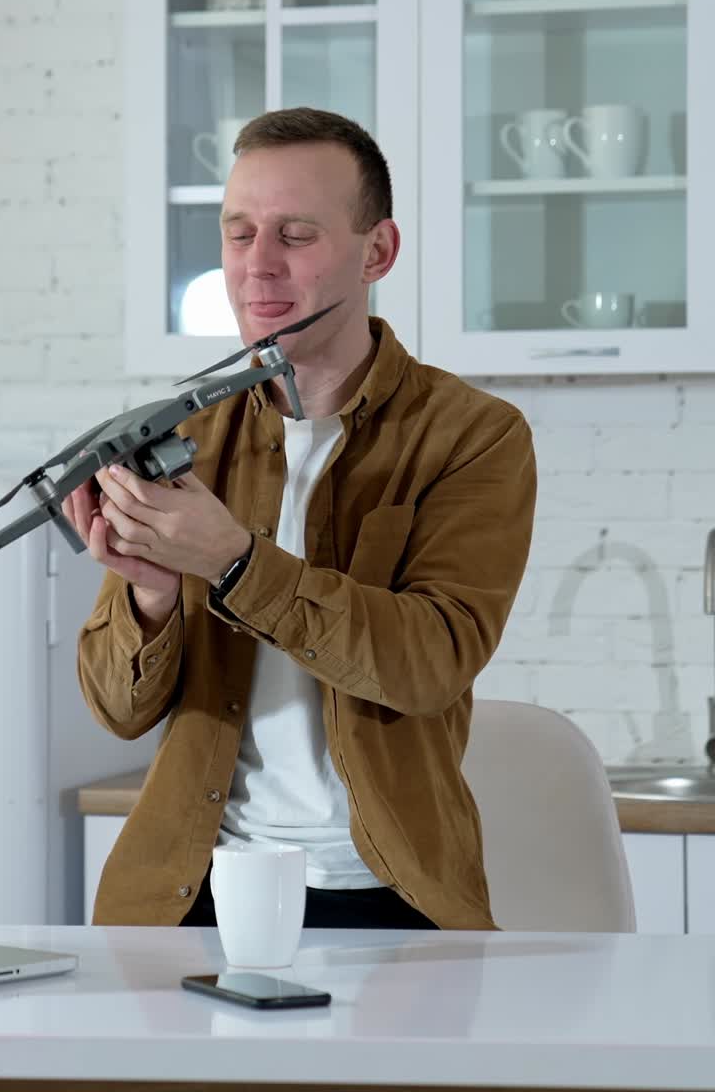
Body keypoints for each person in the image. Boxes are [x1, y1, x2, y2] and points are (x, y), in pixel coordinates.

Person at [65, 107, 537, 931]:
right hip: (190, 897)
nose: (258, 269)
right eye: (239, 234)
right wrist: (150, 600)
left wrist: (237, 563)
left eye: (296, 234)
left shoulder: (472, 435)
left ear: (378, 251)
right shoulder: (182, 439)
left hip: (393, 897)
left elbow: (431, 661)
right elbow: (117, 710)